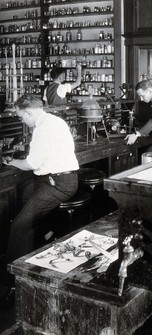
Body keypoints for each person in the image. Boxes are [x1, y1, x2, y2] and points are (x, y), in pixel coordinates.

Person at [0, 95, 79, 309]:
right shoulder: (54, 120)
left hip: (59, 183)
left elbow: (30, 163)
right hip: (58, 178)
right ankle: (42, 242)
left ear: (29, 112)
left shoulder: (42, 129)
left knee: (19, 225)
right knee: (24, 198)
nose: (21, 121)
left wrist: (9, 160)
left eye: (21, 117)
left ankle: (14, 282)